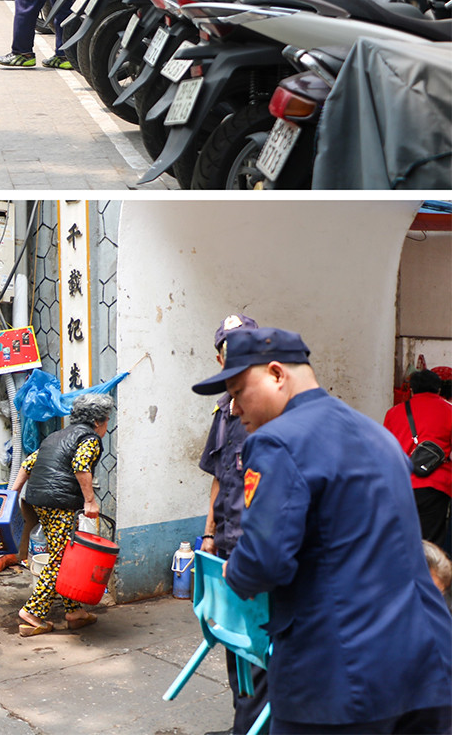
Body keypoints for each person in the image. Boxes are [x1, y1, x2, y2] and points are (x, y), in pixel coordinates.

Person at [203, 325, 452, 733]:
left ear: (277, 374)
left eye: (237, 390)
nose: (234, 407)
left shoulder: (277, 442)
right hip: (426, 664)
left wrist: (234, 571)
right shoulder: (376, 433)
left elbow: (264, 562)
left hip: (339, 676)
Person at [198, 314, 267, 735]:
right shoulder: (225, 411)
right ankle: (243, 721)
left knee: (260, 648)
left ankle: (253, 727)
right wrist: (208, 534)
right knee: (234, 642)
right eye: (229, 348)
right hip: (227, 546)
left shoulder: (272, 416)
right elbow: (219, 480)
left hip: (257, 550)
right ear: (219, 355)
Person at [9, 393, 114, 636]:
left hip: (39, 500)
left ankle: (74, 612)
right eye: (107, 420)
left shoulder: (56, 436)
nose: (107, 426)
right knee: (62, 558)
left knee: (63, 550)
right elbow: (80, 465)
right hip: (60, 503)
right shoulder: (89, 439)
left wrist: (12, 493)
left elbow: (28, 464)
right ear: (98, 422)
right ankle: (33, 613)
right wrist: (90, 500)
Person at [383, 365, 452, 551]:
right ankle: (430, 578)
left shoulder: (393, 413)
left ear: (412, 389)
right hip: (436, 485)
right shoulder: (449, 411)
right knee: (431, 543)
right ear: (438, 389)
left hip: (402, 484)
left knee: (402, 538)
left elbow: (387, 453)